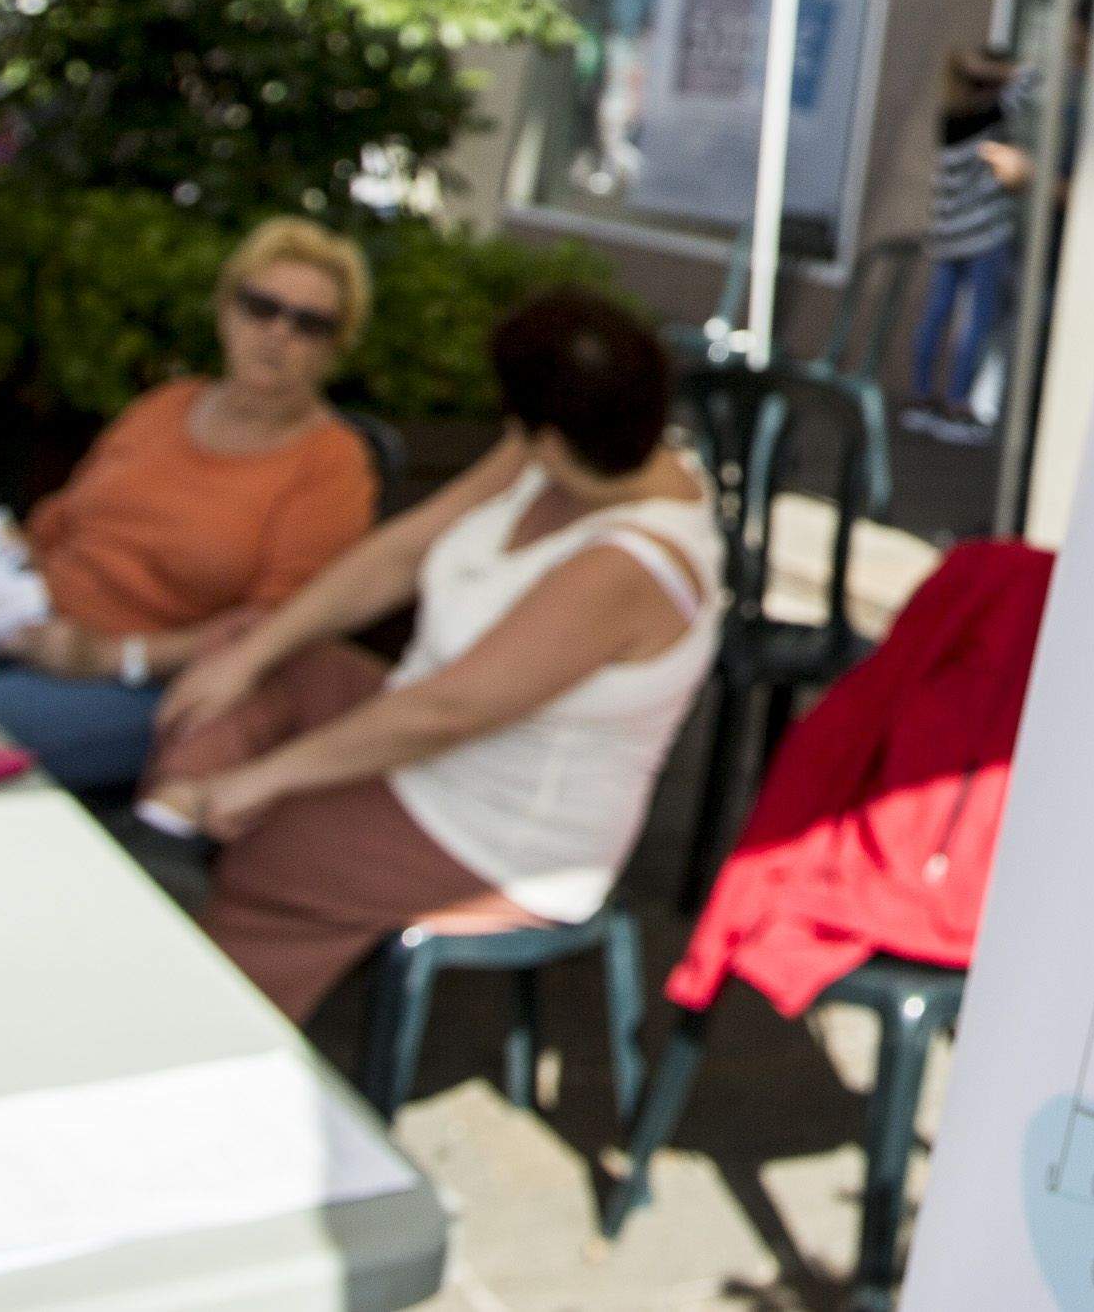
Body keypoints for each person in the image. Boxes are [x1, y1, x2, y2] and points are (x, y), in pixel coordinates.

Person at [143, 288, 722, 1022]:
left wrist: (261, 779)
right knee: (251, 644)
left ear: (544, 434)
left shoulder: (632, 564)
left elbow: (448, 712)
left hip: (491, 831)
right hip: (419, 740)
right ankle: (172, 822)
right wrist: (253, 655)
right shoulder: (552, 453)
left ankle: (201, 1030)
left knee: (276, 841)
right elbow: (402, 553)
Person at [0, 220, 381, 793]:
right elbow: (58, 524)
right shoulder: (165, 405)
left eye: (309, 324)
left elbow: (274, 632)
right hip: (24, 632)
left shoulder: (331, 463)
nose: (278, 333)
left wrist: (112, 657)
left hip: (147, 685)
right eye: (261, 307)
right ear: (225, 311)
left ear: (336, 348)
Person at [910, 44, 1032, 430]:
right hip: (982, 238)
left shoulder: (951, 118)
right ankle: (960, 402)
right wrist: (1004, 72)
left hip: (947, 237)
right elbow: (1032, 78)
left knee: (938, 315)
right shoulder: (988, 117)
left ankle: (922, 395)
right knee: (976, 322)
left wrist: (973, 70)